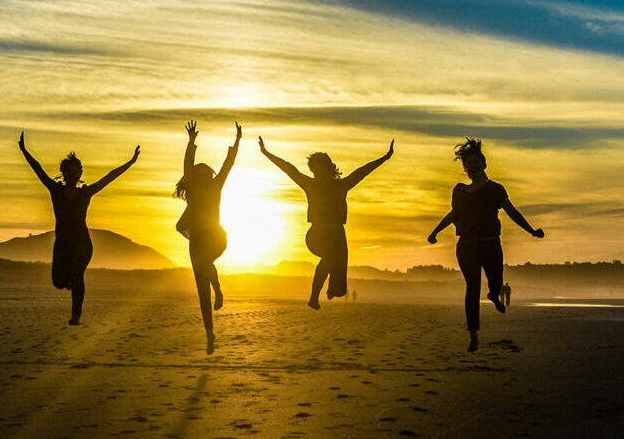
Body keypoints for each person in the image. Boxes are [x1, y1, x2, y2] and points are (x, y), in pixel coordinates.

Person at [427, 138, 543, 351]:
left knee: (496, 280)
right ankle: (473, 335)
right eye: (468, 164)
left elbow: (512, 212)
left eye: (476, 163)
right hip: (467, 246)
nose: (472, 167)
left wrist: (531, 230)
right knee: (472, 288)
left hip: (491, 245)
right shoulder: (460, 191)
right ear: (465, 168)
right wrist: (435, 231)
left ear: (483, 164)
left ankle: (494, 294)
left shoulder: (496, 190)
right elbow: (454, 214)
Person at [18, 131, 139, 325]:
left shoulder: (86, 193)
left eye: (76, 172)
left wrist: (131, 162)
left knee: (77, 274)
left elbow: (109, 177)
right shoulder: (55, 190)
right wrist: (24, 151)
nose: (72, 175)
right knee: (58, 282)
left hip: (82, 242)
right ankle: (69, 283)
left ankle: (76, 315)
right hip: (62, 242)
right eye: (69, 171)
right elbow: (38, 169)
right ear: (63, 172)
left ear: (80, 174)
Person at [259, 136, 394, 309]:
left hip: (337, 234)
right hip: (317, 234)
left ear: (328, 168)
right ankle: (314, 297)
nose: (318, 172)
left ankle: (332, 290)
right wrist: (266, 152)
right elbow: (288, 168)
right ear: (312, 170)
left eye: (321, 168)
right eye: (314, 169)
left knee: (339, 285)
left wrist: (385, 157)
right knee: (330, 257)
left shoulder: (341, 185)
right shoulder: (309, 184)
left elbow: (363, 171)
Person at [175, 120, 241, 354]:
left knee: (205, 264)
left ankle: (218, 287)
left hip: (216, 237)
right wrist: (191, 142)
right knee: (201, 290)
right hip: (197, 242)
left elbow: (227, 166)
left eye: (206, 173)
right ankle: (210, 333)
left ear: (210, 175)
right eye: (198, 173)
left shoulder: (216, 187)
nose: (203, 176)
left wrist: (236, 142)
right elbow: (187, 165)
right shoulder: (192, 189)